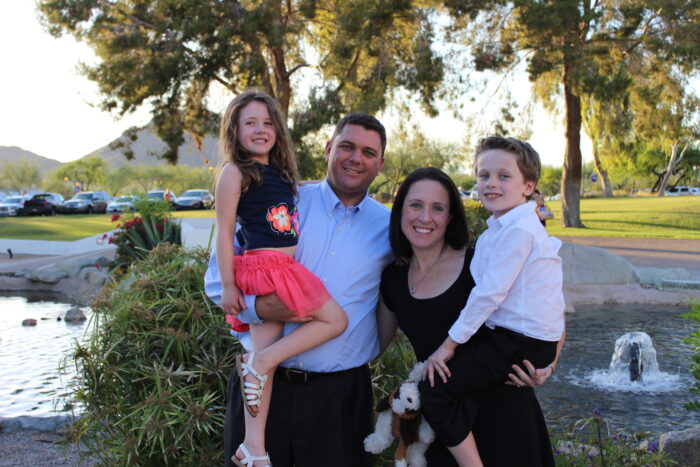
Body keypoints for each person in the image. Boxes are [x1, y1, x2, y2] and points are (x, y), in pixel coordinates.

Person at [207, 112, 393, 466]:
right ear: (328, 149)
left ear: (380, 163)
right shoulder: (280, 199)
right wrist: (258, 308)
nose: (356, 158)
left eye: (368, 152)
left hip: (339, 398)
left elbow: (420, 291)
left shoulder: (390, 227)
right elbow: (216, 280)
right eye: (347, 146)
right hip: (260, 392)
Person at [378, 166, 563, 466]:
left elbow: (553, 312)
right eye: (415, 205)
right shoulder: (392, 279)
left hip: (508, 418)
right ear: (400, 211)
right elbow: (372, 345)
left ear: (450, 217)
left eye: (437, 208)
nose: (425, 217)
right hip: (447, 429)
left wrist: (547, 367)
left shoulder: (480, 264)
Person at [214, 90, 349, 466]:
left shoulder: (280, 175)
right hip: (262, 269)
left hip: (283, 270)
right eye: (250, 123)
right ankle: (258, 376)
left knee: (264, 366)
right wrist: (228, 285)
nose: (260, 130)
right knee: (334, 320)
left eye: (268, 123)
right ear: (235, 130)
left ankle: (253, 447)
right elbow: (224, 232)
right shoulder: (234, 172)